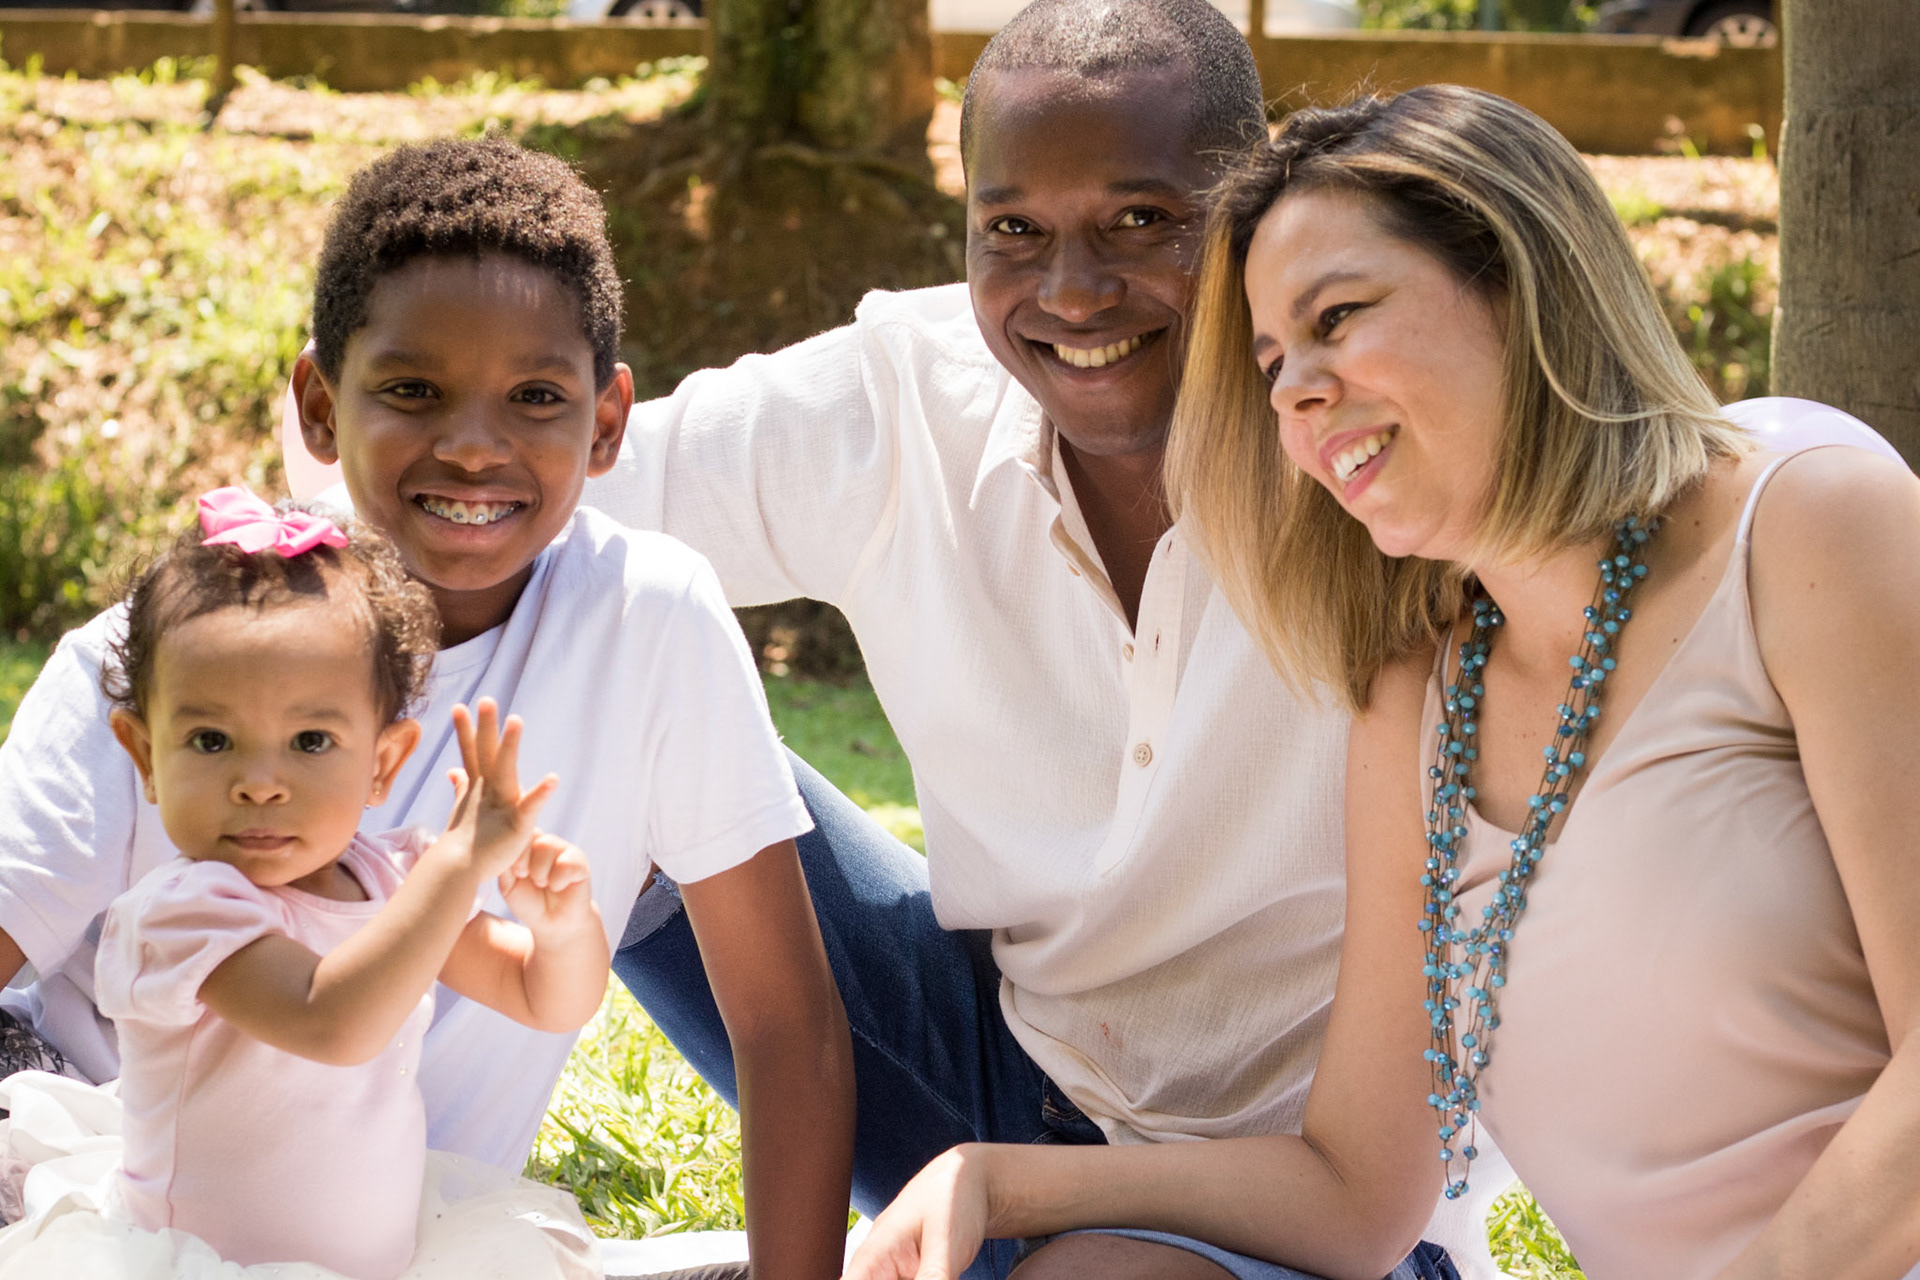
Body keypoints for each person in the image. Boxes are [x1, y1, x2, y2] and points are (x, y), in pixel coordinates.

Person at [841, 84, 1920, 1280]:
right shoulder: (1421, 695)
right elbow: (1354, 1192)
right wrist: (999, 1177)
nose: (1295, 390)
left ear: (1515, 277)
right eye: (1272, 361)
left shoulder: (1806, 520)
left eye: (1338, 317)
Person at [582, 2, 1474, 1276]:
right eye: (1013, 231)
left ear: (1253, 211)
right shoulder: (906, 396)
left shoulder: (1373, 461)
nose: (1073, 291)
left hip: (1316, 1210)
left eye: (1142, 220)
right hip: (996, 1087)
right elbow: (511, 496)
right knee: (588, 675)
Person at [0, 139, 856, 1279]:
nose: (472, 446)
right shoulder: (162, 666)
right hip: (105, 1200)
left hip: (400, 1232)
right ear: (320, 403)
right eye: (412, 390)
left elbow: (782, 1022)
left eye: (535, 397)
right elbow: (324, 1013)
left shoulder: (645, 619)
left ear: (607, 423)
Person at [0, 494, 607, 1279]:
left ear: (383, 763)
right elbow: (331, 1022)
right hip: (199, 1265)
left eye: (311, 740)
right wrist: (457, 870)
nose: (260, 781)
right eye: (211, 740)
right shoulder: (180, 914)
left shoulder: (394, 880)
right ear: (145, 756)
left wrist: (561, 929)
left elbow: (542, 999)